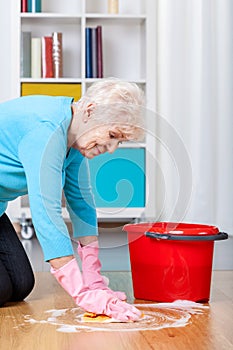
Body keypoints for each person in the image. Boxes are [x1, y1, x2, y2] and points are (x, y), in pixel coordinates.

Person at [0, 78, 145, 321]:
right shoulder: (46, 131)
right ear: (90, 111)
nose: (111, 149)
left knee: (21, 285)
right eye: (111, 135)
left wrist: (94, 280)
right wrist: (83, 295)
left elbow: (82, 204)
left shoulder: (75, 138)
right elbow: (46, 212)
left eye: (119, 141)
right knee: (2, 288)